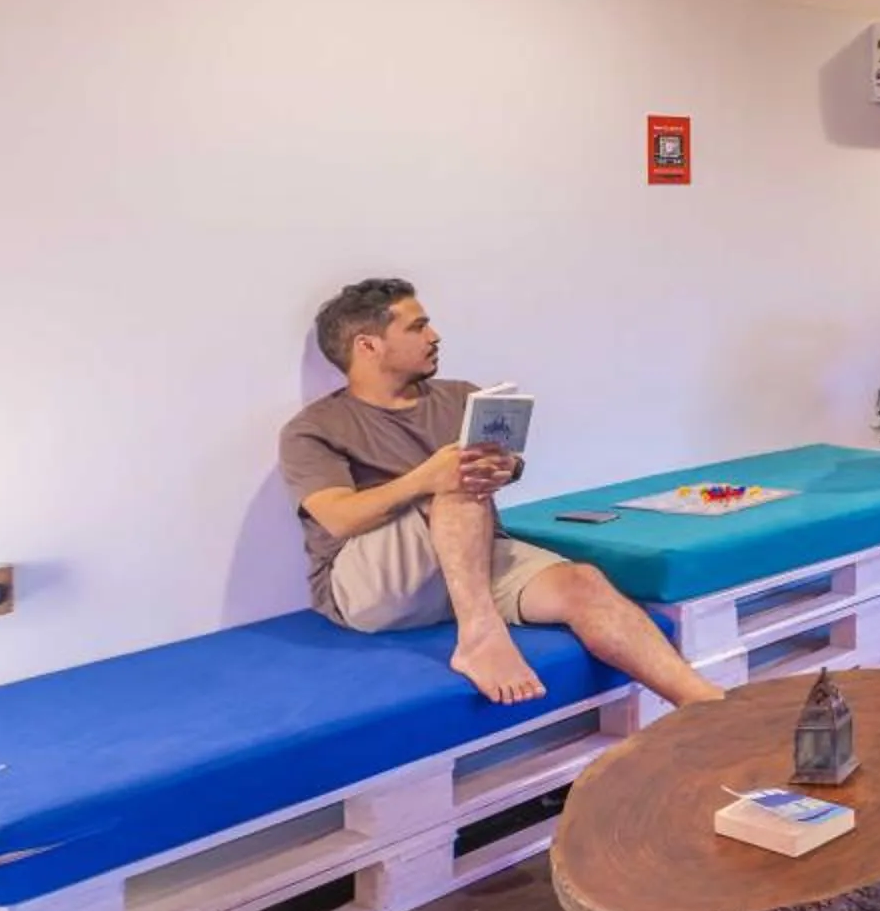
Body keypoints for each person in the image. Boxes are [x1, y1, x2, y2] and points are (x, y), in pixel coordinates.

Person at [279, 279, 726, 708]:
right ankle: (479, 638)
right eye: (417, 327)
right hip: (374, 589)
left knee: (582, 583)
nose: (434, 337)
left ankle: (708, 707)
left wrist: (505, 467)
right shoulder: (315, 428)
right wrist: (427, 479)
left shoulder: (461, 398)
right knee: (458, 479)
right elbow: (338, 517)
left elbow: (505, 465)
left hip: (467, 558)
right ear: (368, 346)